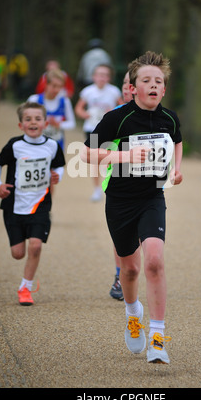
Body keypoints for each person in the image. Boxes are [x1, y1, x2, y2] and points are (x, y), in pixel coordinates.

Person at [81, 51, 183, 364]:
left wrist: (177, 169)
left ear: (164, 89)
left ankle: (157, 337)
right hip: (121, 201)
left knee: (153, 260)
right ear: (133, 88)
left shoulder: (169, 118)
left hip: (152, 197)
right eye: (146, 81)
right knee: (131, 268)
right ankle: (132, 312)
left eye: (158, 81)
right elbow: (86, 154)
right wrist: (123, 157)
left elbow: (177, 141)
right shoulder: (117, 118)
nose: (153, 85)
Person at [0, 102, 65, 306]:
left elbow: (59, 165)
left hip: (40, 203)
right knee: (18, 253)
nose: (33, 122)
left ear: (45, 123)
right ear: (20, 124)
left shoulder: (51, 145)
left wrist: (57, 175)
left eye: (37, 119)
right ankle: (25, 276)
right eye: (28, 119)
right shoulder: (15, 145)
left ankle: (26, 287)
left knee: (35, 245)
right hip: (14, 205)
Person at [75, 64, 122, 201]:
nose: (102, 77)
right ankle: (97, 190)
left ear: (109, 78)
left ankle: (112, 185)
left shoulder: (114, 91)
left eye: (105, 75)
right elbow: (78, 108)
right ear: (93, 77)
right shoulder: (88, 92)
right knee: (95, 159)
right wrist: (86, 114)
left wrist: (112, 113)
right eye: (99, 74)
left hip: (110, 130)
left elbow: (122, 107)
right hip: (92, 129)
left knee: (111, 157)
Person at [109, 71, 133, 301]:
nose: (127, 87)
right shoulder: (113, 116)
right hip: (117, 182)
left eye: (131, 83)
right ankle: (120, 276)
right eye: (124, 83)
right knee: (122, 236)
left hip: (148, 184)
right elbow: (97, 149)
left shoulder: (156, 116)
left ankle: (133, 273)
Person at [28, 68, 76, 152]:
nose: (57, 90)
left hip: (57, 145)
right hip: (37, 146)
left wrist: (58, 124)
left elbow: (72, 123)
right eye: (54, 86)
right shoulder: (34, 100)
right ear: (46, 84)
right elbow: (25, 123)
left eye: (60, 87)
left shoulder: (65, 101)